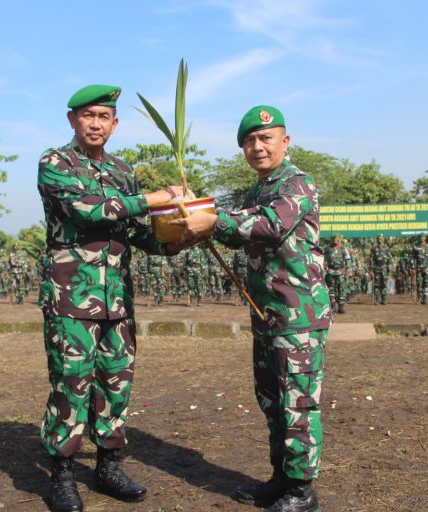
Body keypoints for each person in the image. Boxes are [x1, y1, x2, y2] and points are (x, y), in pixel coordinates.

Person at [171, 105, 332, 512]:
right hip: (267, 313)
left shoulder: (297, 184)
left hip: (298, 314)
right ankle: (281, 478)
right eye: (249, 141)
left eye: (265, 138)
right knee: (272, 400)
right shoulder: (257, 192)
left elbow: (269, 225)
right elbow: (236, 231)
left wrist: (213, 221)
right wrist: (193, 219)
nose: (257, 147)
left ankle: (301, 490)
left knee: (297, 401)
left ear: (285, 141)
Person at [36, 84, 188, 512]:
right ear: (72, 121)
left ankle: (108, 465)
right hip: (71, 299)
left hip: (116, 300)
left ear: (115, 124)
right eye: (88, 115)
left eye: (104, 116)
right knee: (71, 382)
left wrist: (177, 237)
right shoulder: (55, 163)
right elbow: (87, 210)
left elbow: (136, 231)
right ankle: (63, 474)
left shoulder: (123, 171)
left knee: (116, 382)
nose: (96, 123)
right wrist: (152, 199)